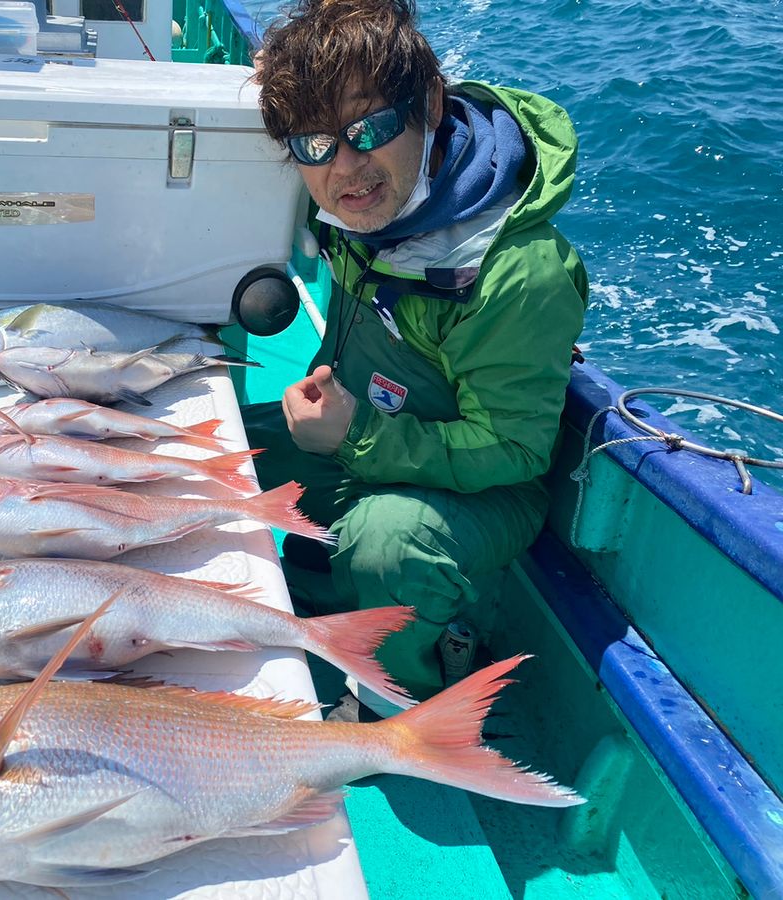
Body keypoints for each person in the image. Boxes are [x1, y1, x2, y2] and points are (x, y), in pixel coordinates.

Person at [244, 0, 588, 710]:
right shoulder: (349, 199)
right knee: (221, 453)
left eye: (369, 128)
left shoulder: (518, 270)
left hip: (477, 489)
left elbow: (516, 450)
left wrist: (356, 437)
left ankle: (402, 703)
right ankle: (314, 575)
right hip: (360, 432)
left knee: (388, 541)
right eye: (313, 144)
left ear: (430, 102)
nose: (345, 168)